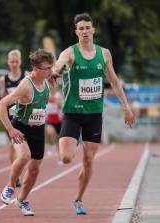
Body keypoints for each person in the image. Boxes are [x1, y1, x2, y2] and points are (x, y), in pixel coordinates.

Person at [52, 13, 136, 215]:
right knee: (66, 157)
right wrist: (56, 70)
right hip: (73, 112)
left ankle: (78, 199)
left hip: (94, 114)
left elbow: (114, 82)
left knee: (89, 159)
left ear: (93, 30)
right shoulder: (70, 52)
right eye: (81, 29)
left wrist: (126, 108)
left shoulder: (104, 54)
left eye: (87, 28)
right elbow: (60, 62)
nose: (84, 31)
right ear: (76, 32)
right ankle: (74, 139)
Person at [0, 49, 58, 216]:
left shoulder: (47, 78)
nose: (50, 71)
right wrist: (10, 128)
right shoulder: (25, 85)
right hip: (21, 128)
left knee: (34, 169)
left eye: (50, 67)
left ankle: (22, 200)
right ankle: (10, 186)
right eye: (47, 69)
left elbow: (57, 72)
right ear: (36, 69)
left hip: (38, 129)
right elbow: (1, 105)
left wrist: (55, 73)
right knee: (24, 156)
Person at [0, 49, 29, 187]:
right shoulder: (3, 80)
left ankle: (23, 171)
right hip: (11, 118)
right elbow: (2, 98)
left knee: (27, 148)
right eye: (12, 61)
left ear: (20, 62)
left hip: (25, 116)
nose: (15, 64)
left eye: (17, 61)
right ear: (8, 62)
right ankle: (15, 176)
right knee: (12, 146)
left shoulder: (26, 75)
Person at [45, 82, 64, 165]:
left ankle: (59, 156)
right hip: (49, 120)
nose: (52, 86)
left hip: (59, 120)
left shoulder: (59, 95)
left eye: (54, 85)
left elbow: (62, 106)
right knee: (50, 132)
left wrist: (57, 102)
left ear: (56, 86)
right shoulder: (46, 94)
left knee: (59, 140)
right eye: (51, 85)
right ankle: (51, 144)